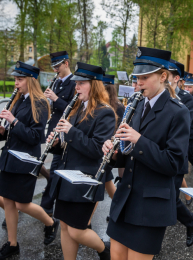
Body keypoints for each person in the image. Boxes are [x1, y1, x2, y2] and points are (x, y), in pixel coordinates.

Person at [103, 47, 190, 259]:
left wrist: (139, 140)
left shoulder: (178, 112)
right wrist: (114, 153)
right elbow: (128, 153)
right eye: (136, 77)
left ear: (162, 77)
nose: (138, 83)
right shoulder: (136, 105)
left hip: (151, 205)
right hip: (126, 199)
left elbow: (174, 164)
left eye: (144, 77)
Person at [48, 62, 115, 260]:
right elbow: (69, 145)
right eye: (76, 83)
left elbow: (96, 149)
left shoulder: (105, 112)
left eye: (81, 83)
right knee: (66, 228)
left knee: (77, 230)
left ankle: (104, 250)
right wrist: (55, 144)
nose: (76, 87)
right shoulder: (77, 108)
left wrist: (70, 131)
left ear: (94, 84)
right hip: (67, 177)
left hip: (86, 179)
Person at [0, 61, 59, 259]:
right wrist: (3, 130)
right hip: (10, 157)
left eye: (20, 79)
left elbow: (35, 137)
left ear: (31, 80)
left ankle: (50, 222)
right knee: (8, 201)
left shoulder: (40, 102)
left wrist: (13, 121)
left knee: (21, 204)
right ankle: (12, 243)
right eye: (15, 79)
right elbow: (12, 132)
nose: (16, 83)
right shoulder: (18, 100)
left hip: (25, 159)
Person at [41, 50, 76, 216]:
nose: (55, 69)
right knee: (55, 169)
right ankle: (47, 205)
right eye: (53, 66)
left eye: (58, 66)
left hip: (65, 132)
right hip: (54, 130)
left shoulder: (75, 83)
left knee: (57, 169)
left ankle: (47, 206)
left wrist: (55, 98)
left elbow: (73, 109)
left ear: (66, 63)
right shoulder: (57, 82)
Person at [168, 59, 193, 247]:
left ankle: (191, 221)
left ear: (176, 78)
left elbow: (181, 128)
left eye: (167, 75)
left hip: (176, 156)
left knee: (170, 197)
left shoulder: (186, 99)